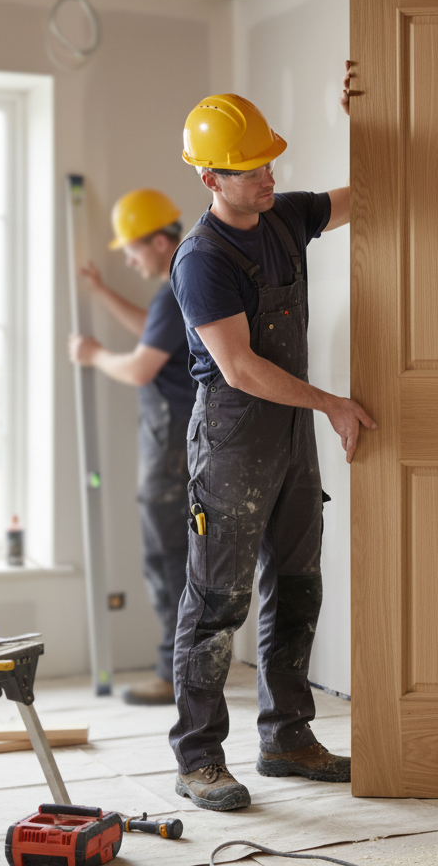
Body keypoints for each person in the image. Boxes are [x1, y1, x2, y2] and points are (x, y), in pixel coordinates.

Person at [168, 79, 377, 811]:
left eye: (268, 161)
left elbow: (375, 192)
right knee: (216, 601)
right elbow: (242, 367)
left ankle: (288, 737)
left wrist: (368, 119)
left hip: (287, 429)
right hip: (232, 431)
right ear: (209, 178)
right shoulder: (202, 257)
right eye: (249, 167)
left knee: (298, 587)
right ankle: (198, 759)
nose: (268, 174)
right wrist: (331, 404)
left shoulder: (286, 217)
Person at [68, 188, 196, 706]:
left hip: (169, 441)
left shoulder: (174, 288)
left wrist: (95, 355)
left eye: (133, 248)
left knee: (167, 554)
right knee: (175, 552)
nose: (127, 257)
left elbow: (143, 364)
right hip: (181, 435)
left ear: (161, 241)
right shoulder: (183, 284)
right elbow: (154, 333)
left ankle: (172, 673)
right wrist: (100, 293)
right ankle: (184, 667)